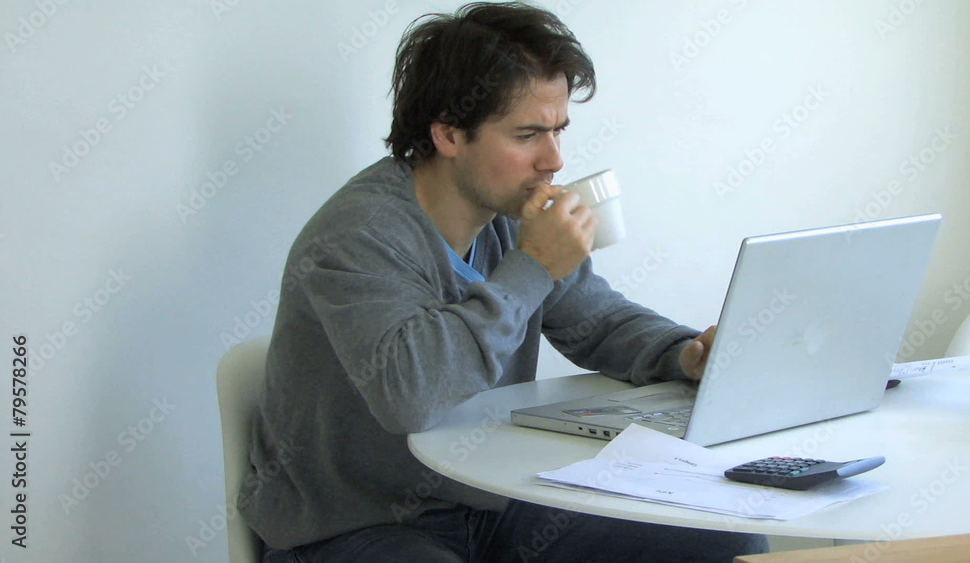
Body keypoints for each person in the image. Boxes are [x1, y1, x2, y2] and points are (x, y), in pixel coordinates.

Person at [240, 2, 768, 561]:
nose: (554, 160)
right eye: (528, 135)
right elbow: (411, 397)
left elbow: (596, 321)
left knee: (729, 542)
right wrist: (533, 266)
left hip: (489, 500)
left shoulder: (511, 216)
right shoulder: (358, 236)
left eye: (558, 130)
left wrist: (684, 353)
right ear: (448, 133)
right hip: (355, 525)